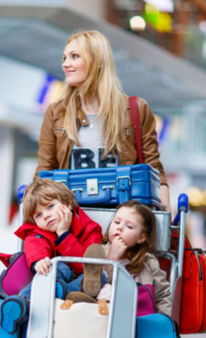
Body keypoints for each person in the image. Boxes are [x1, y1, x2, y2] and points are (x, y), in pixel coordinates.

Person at [34, 30, 171, 212]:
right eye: (64, 58)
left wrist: (166, 216)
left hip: (123, 223)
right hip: (72, 223)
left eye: (75, 56)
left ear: (97, 61)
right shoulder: (56, 112)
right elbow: (43, 174)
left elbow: (154, 169)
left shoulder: (135, 109)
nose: (66, 64)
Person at [62, 200, 172, 338]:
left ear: (142, 237)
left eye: (129, 227)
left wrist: (165, 323)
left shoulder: (148, 263)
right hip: (93, 321)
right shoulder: (96, 251)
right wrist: (111, 257)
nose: (119, 228)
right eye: (117, 222)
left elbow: (162, 295)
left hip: (130, 325)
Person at [0, 178, 104, 335]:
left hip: (79, 282)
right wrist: (38, 261)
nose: (46, 216)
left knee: (100, 276)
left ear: (68, 204)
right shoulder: (39, 233)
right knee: (57, 267)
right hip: (50, 278)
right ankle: (23, 303)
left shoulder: (91, 229)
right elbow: (35, 246)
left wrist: (64, 235)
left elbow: (85, 264)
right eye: (39, 215)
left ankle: (62, 290)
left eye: (50, 207)